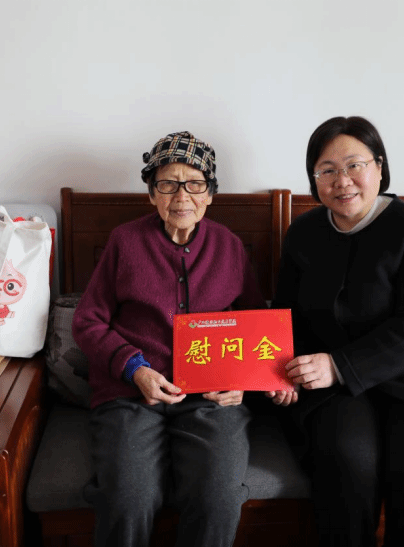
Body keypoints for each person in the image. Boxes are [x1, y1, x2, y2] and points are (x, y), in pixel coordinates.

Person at [268, 116, 404, 547]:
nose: (342, 181)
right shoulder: (303, 233)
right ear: (314, 179)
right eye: (327, 170)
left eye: (355, 165)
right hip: (330, 388)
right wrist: (279, 372)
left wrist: (339, 365)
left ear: (380, 167)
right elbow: (285, 317)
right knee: (347, 456)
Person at [72, 131, 267, 547]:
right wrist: (135, 369)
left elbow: (255, 326)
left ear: (210, 194)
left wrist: (242, 380)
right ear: (151, 194)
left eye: (194, 184)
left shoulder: (230, 247)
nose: (182, 196)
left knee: (218, 497)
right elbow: (88, 321)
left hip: (210, 400)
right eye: (167, 184)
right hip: (130, 395)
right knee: (128, 498)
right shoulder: (125, 241)